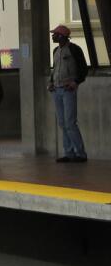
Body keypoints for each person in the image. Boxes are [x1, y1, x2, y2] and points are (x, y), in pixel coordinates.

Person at [47, 25, 88, 163]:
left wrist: (76, 82)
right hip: (56, 90)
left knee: (70, 122)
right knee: (62, 123)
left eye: (55, 34)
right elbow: (55, 70)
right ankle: (69, 153)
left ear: (63, 36)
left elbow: (83, 68)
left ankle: (80, 153)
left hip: (68, 90)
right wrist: (51, 82)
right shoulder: (55, 51)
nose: (53, 36)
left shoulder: (74, 49)